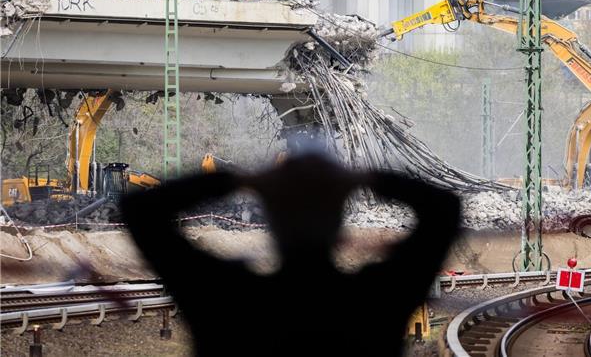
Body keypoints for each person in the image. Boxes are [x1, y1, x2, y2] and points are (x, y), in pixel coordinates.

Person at [120, 153, 461, 356]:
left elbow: (142, 211)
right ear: (338, 218)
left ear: (270, 216)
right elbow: (444, 209)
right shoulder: (376, 299)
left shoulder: (226, 298)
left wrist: (242, 178)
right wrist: (361, 177)